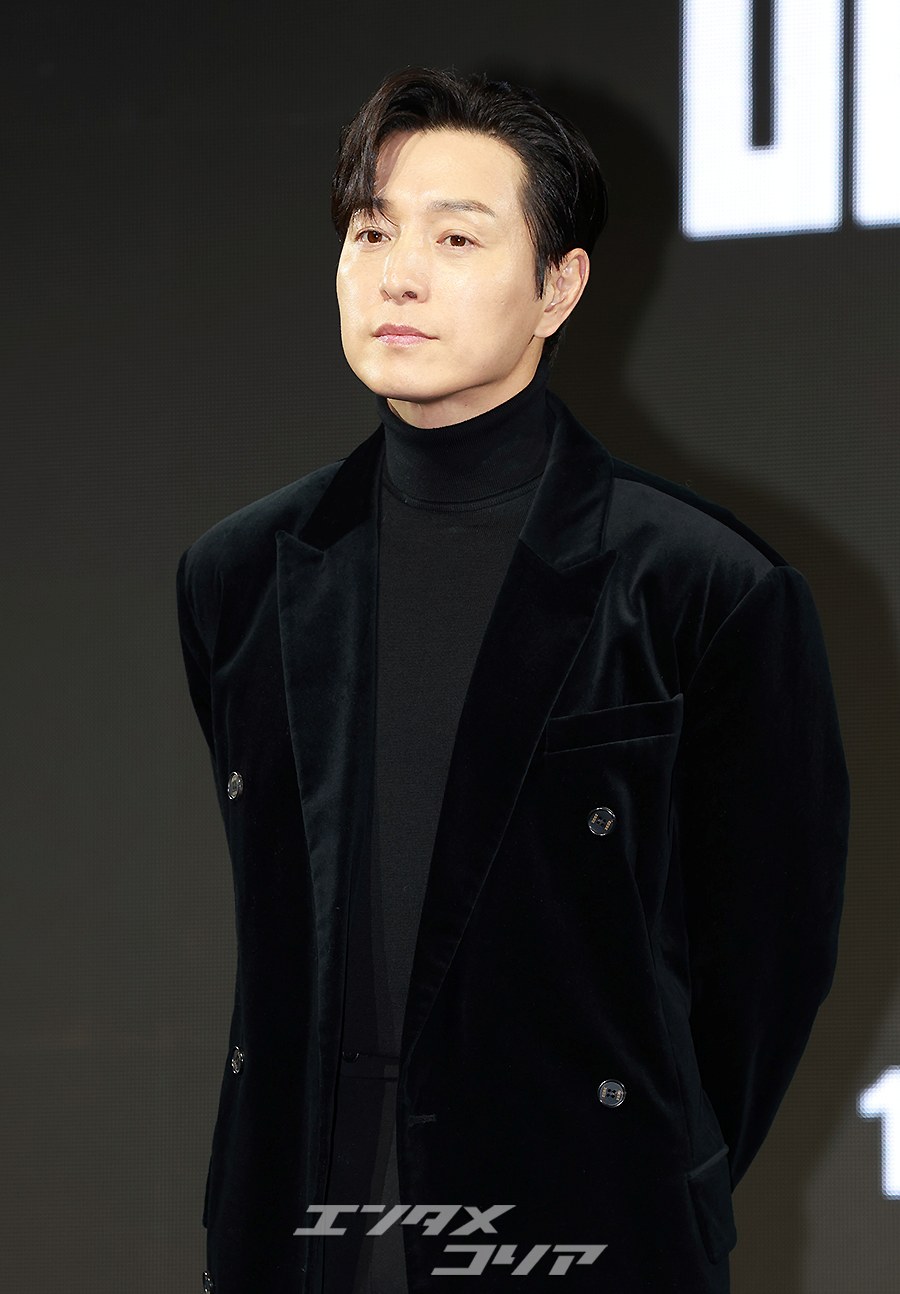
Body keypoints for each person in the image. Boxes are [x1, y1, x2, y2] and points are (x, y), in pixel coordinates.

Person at [176, 67, 849, 1294]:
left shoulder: (703, 586)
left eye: (456, 237)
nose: (399, 274)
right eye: (371, 231)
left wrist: (644, 1175)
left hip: (581, 1228)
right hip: (297, 1231)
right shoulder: (241, 575)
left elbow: (767, 965)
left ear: (559, 287)